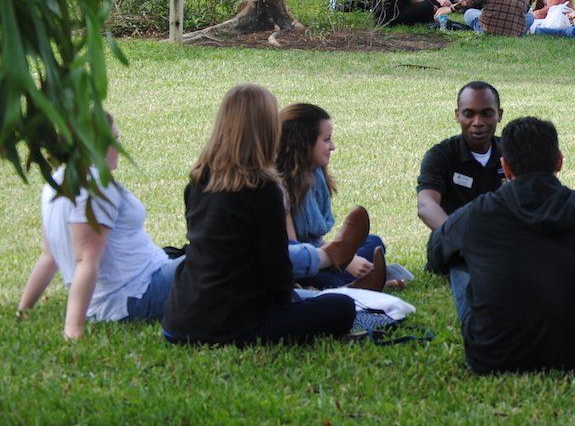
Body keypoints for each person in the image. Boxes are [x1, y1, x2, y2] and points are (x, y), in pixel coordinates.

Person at [427, 116, 575, 374]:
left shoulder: (479, 213)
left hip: (492, 355)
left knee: (457, 254)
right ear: (559, 161)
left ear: (505, 167)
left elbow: (437, 250)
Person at [162, 85, 356, 346]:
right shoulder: (262, 190)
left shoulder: (199, 182)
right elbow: (277, 275)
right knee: (342, 307)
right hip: (234, 324)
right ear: (267, 129)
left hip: (179, 320)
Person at [17, 114, 181, 339]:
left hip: (134, 284)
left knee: (202, 255)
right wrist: (73, 330)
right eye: (112, 140)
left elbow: (48, 256)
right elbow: (86, 258)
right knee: (222, 260)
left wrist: (23, 309)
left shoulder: (55, 182)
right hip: (135, 294)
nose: (119, 147)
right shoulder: (96, 186)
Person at [277, 103, 388, 291]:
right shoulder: (279, 186)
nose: (333, 146)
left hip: (320, 257)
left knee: (374, 242)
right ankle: (359, 285)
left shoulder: (316, 175)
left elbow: (317, 242)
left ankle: (361, 282)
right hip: (299, 266)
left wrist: (346, 257)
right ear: (304, 142)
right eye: (326, 140)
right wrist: (344, 259)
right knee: (328, 284)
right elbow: (293, 252)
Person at [417, 82, 505, 233]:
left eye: (487, 114)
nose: (478, 122)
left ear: (499, 115)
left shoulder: (512, 153)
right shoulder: (440, 155)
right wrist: (458, 237)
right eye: (469, 114)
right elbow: (426, 205)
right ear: (457, 115)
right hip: (456, 247)